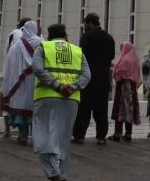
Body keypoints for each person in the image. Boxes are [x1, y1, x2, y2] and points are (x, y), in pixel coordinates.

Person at [31, 23, 90, 181]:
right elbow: (87, 75)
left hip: (46, 96)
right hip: (71, 99)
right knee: (63, 139)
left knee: (41, 135)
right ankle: (61, 173)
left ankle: (53, 172)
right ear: (65, 35)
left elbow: (37, 68)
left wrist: (57, 85)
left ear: (49, 36)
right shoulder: (77, 50)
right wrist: (73, 86)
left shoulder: (43, 47)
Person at [73, 13, 115, 145]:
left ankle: (79, 136)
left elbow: (81, 56)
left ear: (89, 22)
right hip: (103, 78)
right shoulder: (109, 38)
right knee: (101, 109)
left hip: (89, 76)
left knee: (84, 109)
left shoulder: (87, 37)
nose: (84, 26)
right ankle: (101, 137)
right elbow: (111, 56)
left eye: (85, 23)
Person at [2, 20, 43, 145]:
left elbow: (10, 65)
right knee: (35, 109)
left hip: (20, 82)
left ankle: (22, 136)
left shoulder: (16, 46)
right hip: (37, 80)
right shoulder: (42, 43)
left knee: (22, 107)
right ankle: (36, 137)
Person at [2, 18, 31, 138]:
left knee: (8, 97)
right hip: (27, 71)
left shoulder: (13, 34)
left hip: (13, 70)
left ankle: (7, 130)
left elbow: (7, 51)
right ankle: (23, 132)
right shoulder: (35, 35)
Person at [110, 41, 141, 141]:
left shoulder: (125, 59)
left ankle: (118, 133)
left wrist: (114, 73)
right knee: (130, 109)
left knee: (120, 109)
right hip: (132, 87)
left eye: (122, 48)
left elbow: (119, 72)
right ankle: (128, 134)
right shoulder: (135, 60)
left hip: (123, 86)